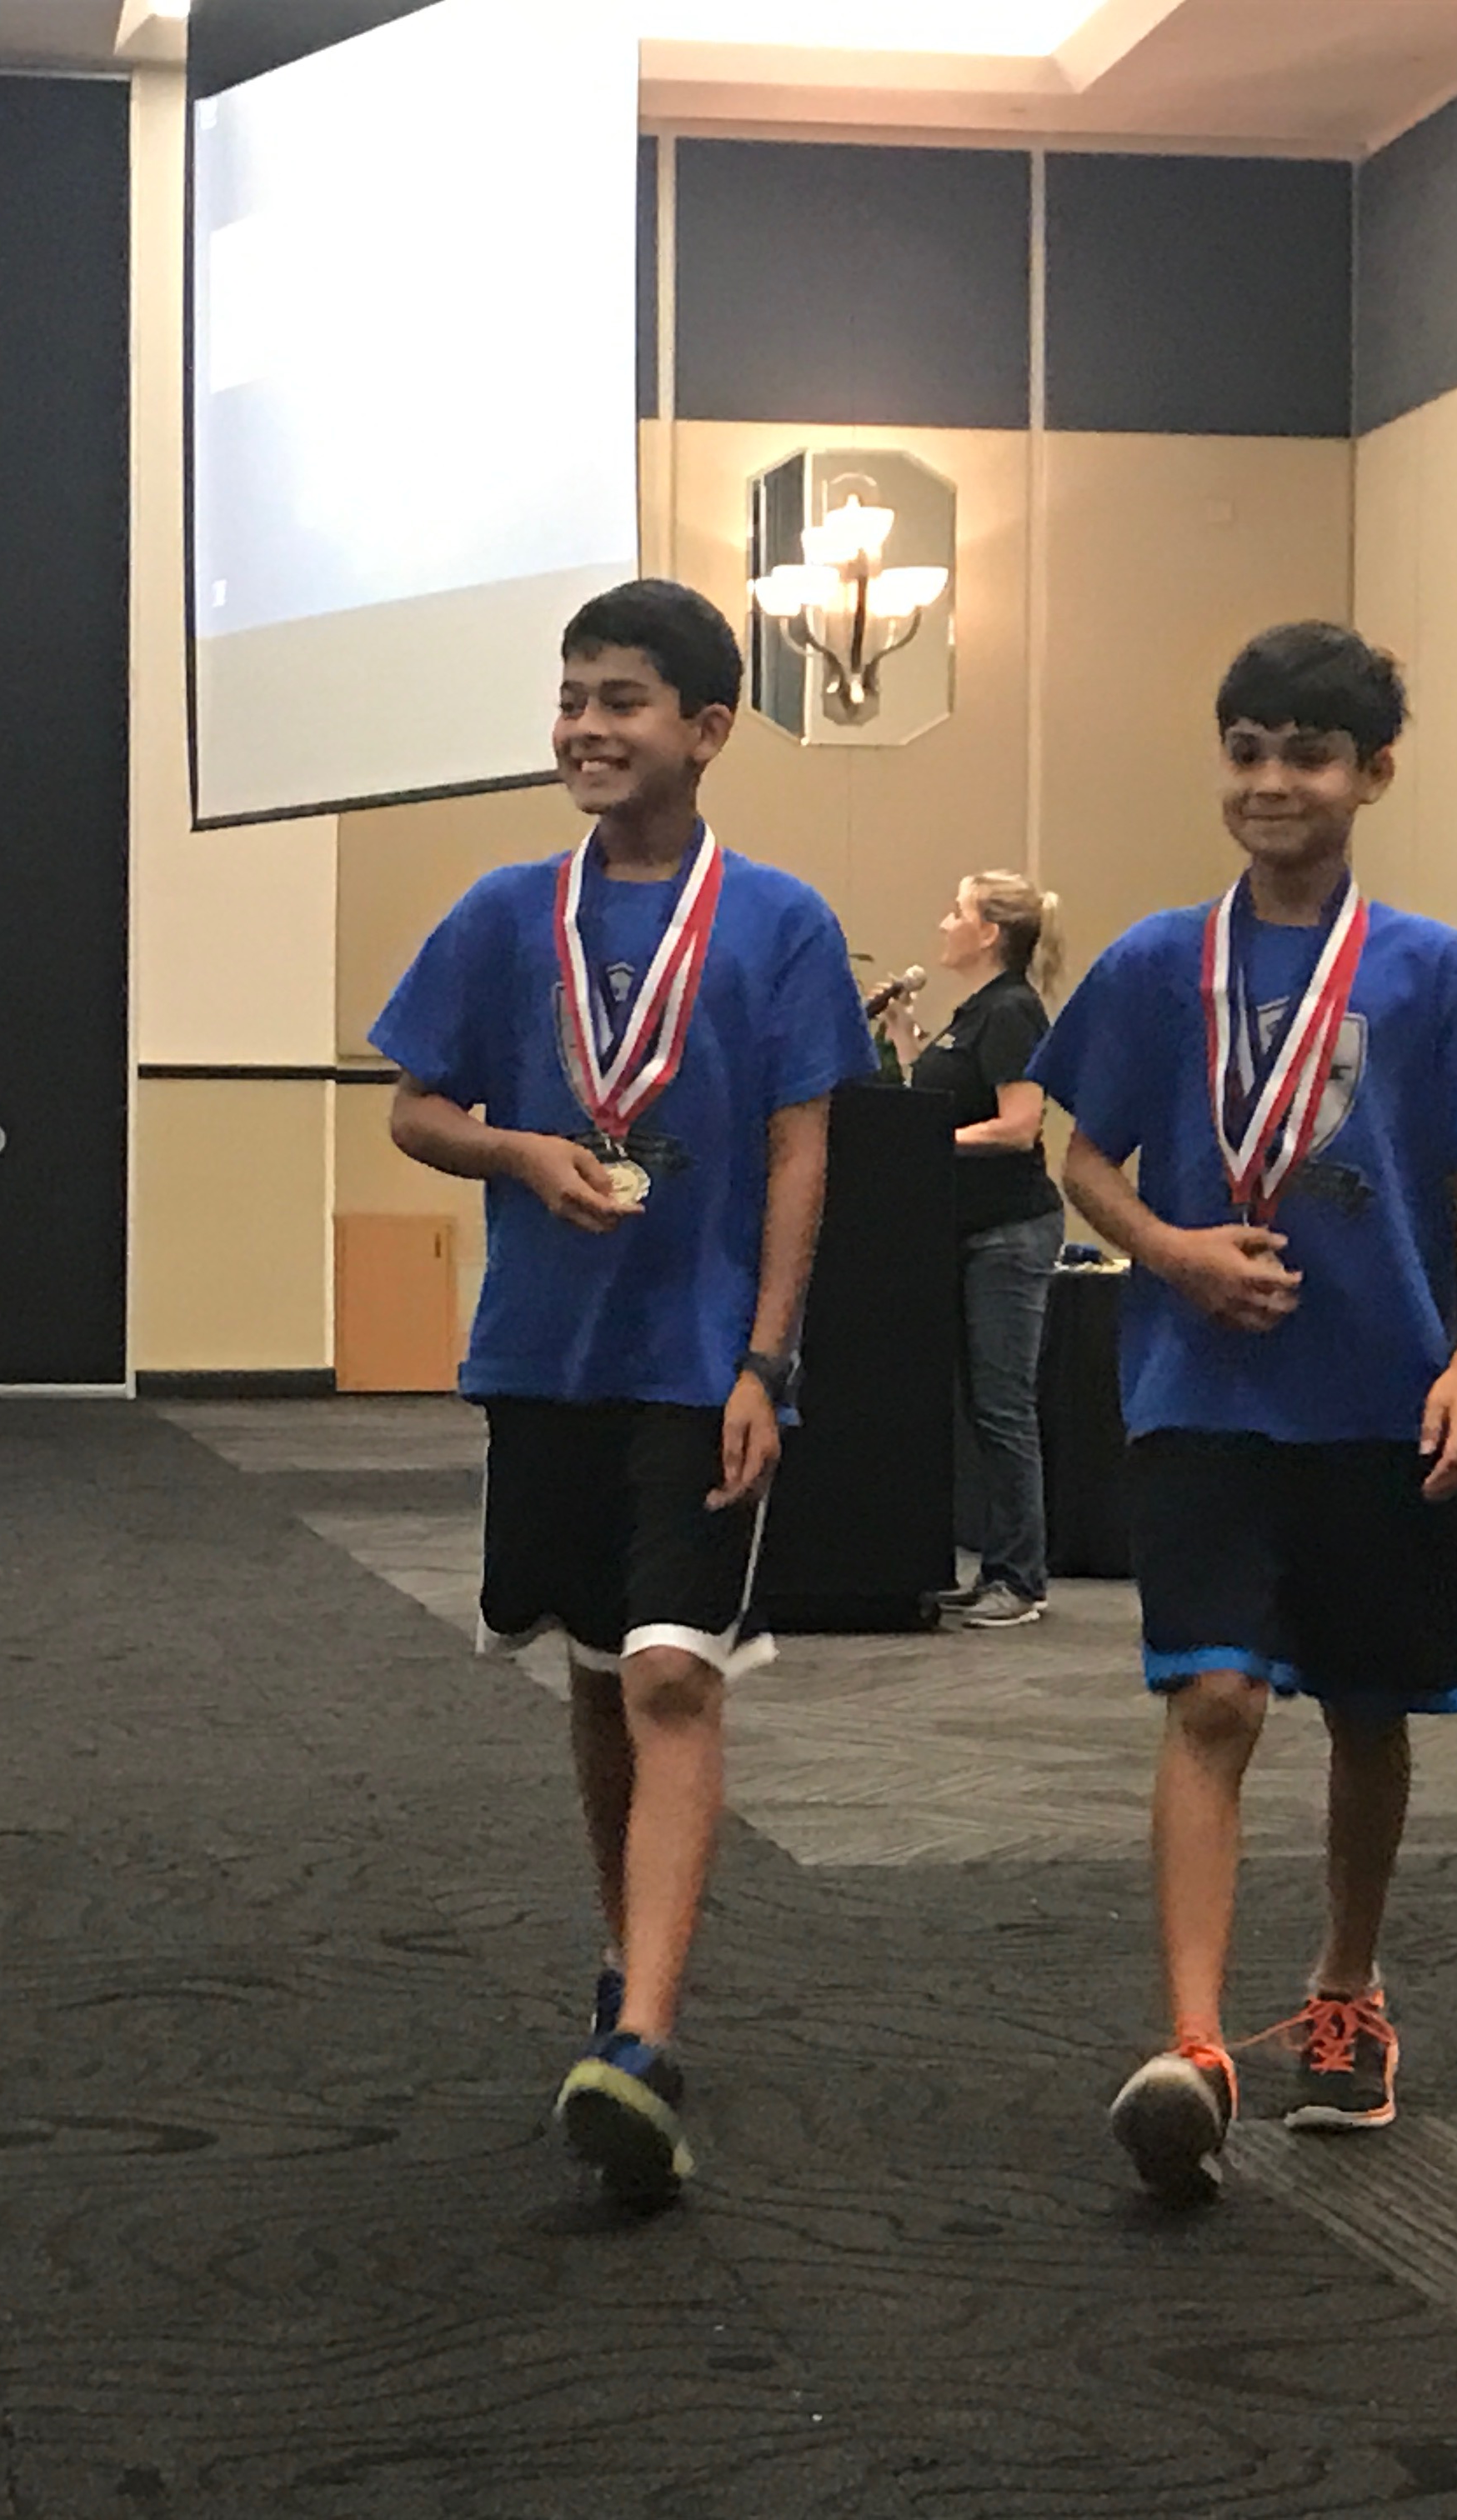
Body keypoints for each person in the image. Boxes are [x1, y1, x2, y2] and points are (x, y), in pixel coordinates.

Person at [1027, 622, 1457, 2206]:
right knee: (1211, 1698)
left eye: (1308, 755)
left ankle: (1346, 1986)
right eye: (1247, 749)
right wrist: (1173, 1251)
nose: (1272, 782)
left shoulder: (1426, 969)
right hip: (1200, 1394)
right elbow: (1082, 1155)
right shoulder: (1149, 963)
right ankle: (1194, 2045)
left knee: (1366, 1700)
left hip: (1378, 1394)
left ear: (1371, 776)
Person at [372, 579, 874, 2207]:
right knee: (596, 1677)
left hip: (701, 1363)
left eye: (624, 701)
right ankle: (623, 1961)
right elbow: (413, 1109)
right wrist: (516, 1145)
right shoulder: (509, 912)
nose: (588, 726)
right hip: (545, 1356)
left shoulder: (780, 922)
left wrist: (770, 1358)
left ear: (708, 730)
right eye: (573, 696)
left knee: (674, 1675)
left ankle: (646, 2038)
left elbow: (804, 1151)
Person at [886, 870, 1066, 1628]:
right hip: (964, 1231)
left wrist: (926, 1144)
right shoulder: (975, 1014)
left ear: (990, 932)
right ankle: (996, 1565)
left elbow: (1019, 1124)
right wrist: (902, 1033)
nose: (944, 923)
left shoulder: (1014, 1012)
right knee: (976, 1407)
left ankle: (1021, 1580)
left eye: (956, 912)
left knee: (1002, 1407)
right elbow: (941, 1096)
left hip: (1009, 1233)